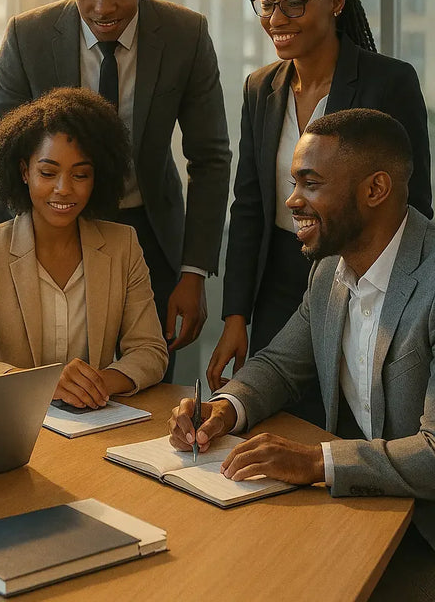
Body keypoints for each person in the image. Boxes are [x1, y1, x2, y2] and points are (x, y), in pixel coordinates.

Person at [170, 109, 435, 599]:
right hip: (369, 513)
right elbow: (280, 366)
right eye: (293, 183)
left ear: (375, 190)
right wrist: (225, 410)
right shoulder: (330, 269)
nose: (292, 201)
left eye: (310, 184)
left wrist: (317, 462)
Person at [0, 0, 231, 378]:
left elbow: (209, 158)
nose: (103, 7)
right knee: (43, 375)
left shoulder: (184, 34)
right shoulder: (29, 35)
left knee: (146, 371)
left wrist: (193, 271)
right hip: (51, 224)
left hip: (147, 229)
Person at [208, 0, 431, 414]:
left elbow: (415, 201)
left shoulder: (388, 81)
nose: (276, 20)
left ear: (335, 1)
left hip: (362, 271)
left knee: (355, 411)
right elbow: (249, 204)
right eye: (266, 5)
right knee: (275, 407)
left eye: (293, 4)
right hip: (281, 277)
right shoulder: (260, 87)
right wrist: (235, 316)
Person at [0, 88, 168, 404]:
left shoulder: (122, 245)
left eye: (80, 174)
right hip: (12, 421)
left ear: (97, 178)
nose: (63, 189)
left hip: (94, 421)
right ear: (25, 171)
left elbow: (150, 350)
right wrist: (43, 385)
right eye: (48, 172)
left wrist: (96, 384)